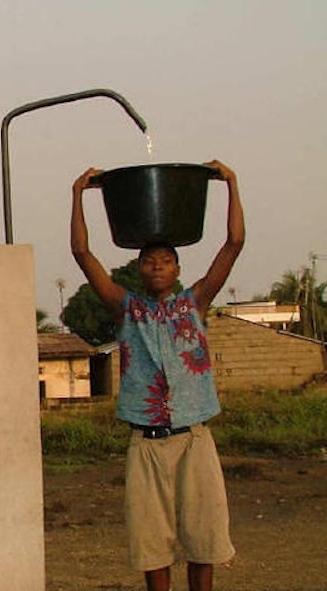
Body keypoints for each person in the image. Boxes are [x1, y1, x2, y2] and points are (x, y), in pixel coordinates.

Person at [70, 160, 245, 591]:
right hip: (146, 443)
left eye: (166, 260)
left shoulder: (196, 303)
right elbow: (82, 254)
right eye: (149, 261)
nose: (157, 266)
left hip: (193, 437)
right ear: (139, 270)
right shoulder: (125, 308)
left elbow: (234, 243)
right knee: (153, 545)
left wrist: (232, 183)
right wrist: (77, 194)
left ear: (178, 271)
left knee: (203, 539)